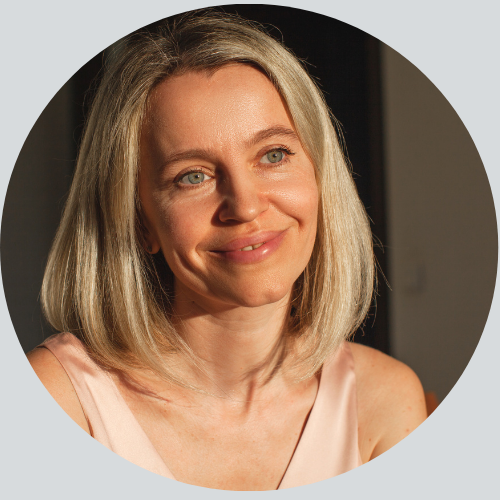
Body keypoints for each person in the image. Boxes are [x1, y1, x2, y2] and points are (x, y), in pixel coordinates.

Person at [27, 11, 427, 490]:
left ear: (320, 176)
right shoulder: (57, 401)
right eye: (192, 176)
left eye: (273, 155)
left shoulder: (382, 402)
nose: (245, 206)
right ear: (139, 220)